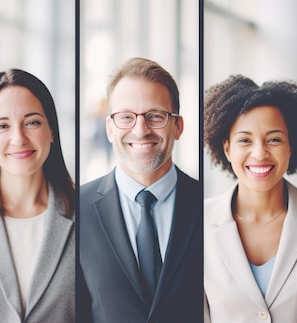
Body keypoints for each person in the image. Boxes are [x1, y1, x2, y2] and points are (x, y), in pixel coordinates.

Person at [77, 57, 203, 323]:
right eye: (126, 117)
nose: (140, 130)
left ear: (178, 126)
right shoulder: (76, 209)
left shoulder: (211, 206)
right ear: (110, 128)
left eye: (155, 116)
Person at [203, 75, 297, 322]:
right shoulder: (196, 222)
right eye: (245, 140)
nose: (260, 153)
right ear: (227, 149)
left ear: (290, 147)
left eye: (274, 139)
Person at [0, 69, 75, 322]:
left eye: (32, 122)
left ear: (51, 131)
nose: (18, 138)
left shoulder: (87, 215)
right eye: (2, 126)